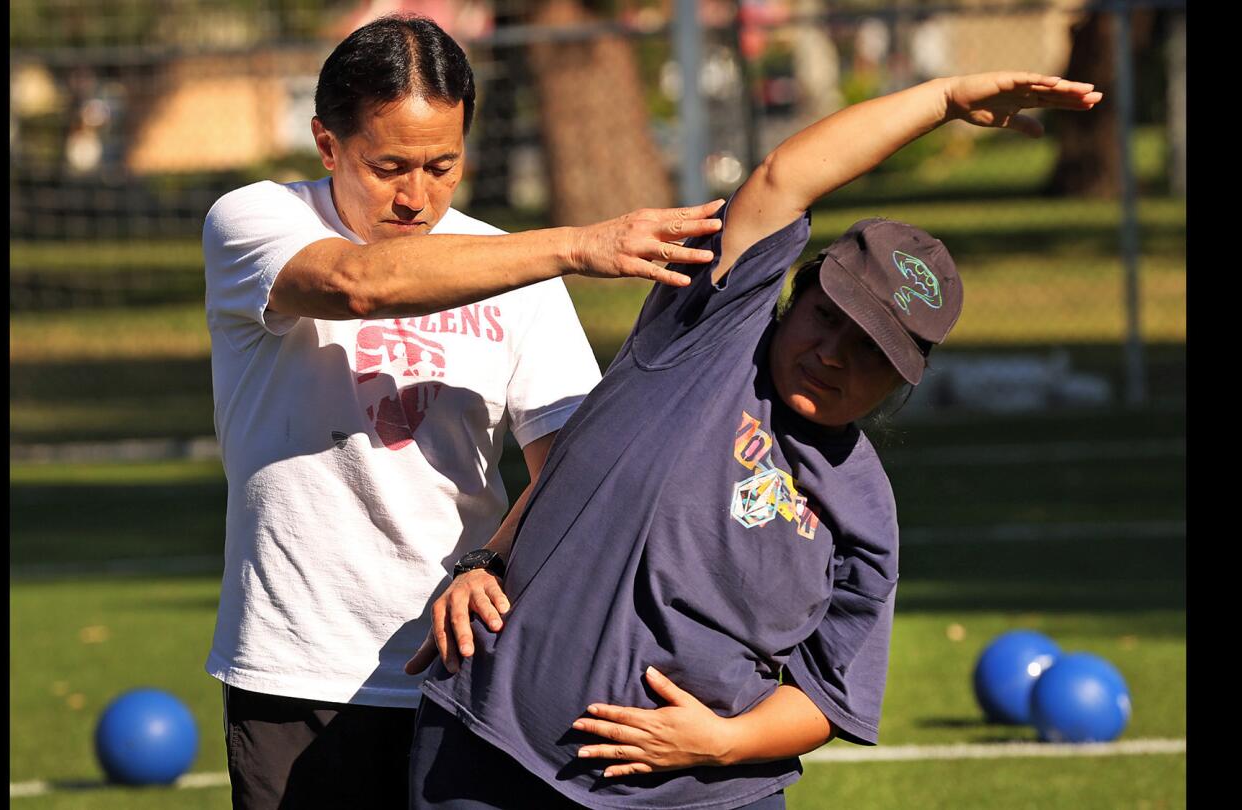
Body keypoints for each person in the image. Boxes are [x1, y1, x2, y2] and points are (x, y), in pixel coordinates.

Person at [408, 71, 1102, 809]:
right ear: (796, 296)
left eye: (869, 350)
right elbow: (784, 176)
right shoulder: (706, 335)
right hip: (496, 752)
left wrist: (722, 743)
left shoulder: (864, 511)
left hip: (698, 796)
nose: (834, 353)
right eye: (828, 317)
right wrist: (942, 102)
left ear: (901, 379)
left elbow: (828, 693)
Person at [201, 14, 727, 809]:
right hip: (298, 672)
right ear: (326, 143)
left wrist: (490, 566)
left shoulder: (513, 269)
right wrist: (579, 246)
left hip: (465, 672)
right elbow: (358, 283)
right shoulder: (254, 222)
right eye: (389, 167)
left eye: (442, 165)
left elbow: (571, 472)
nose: (418, 196)